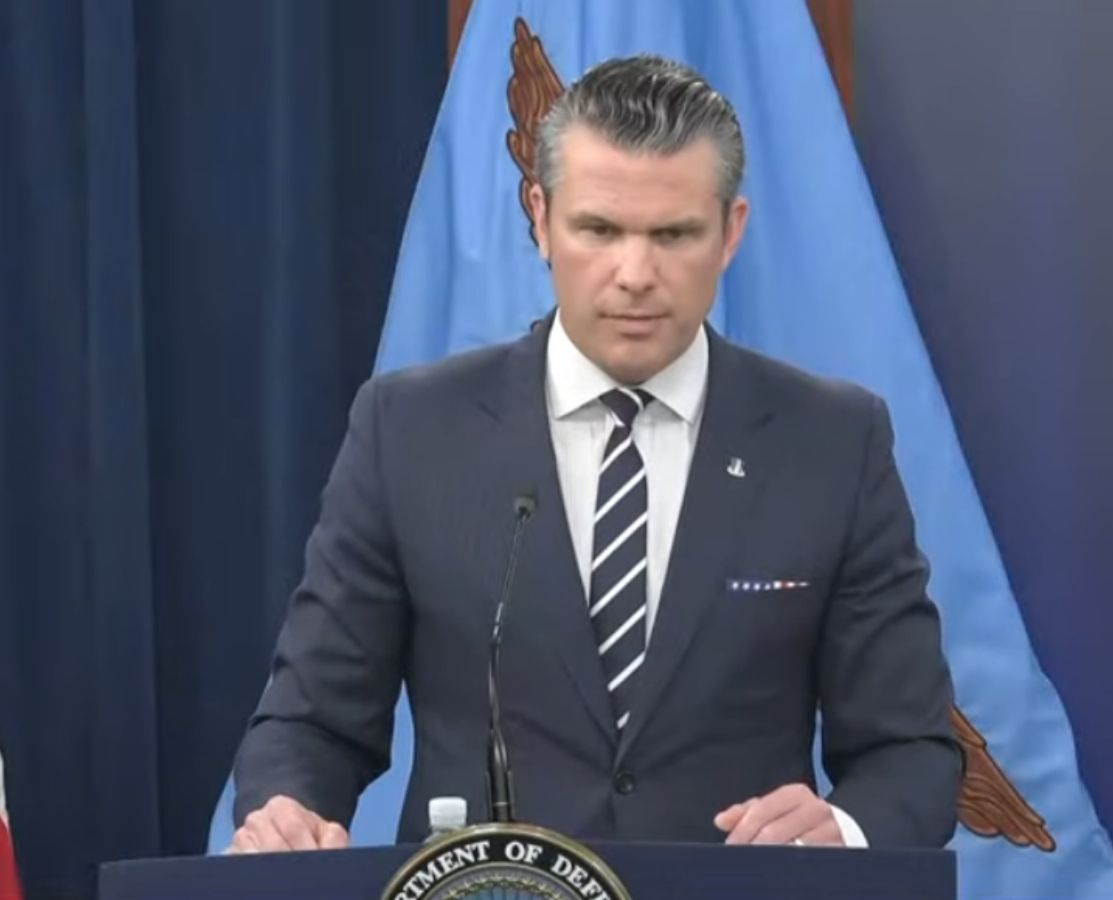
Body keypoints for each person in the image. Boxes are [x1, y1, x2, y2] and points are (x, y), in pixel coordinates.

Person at [231, 55, 961, 853]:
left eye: (674, 234)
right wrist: (288, 810)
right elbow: (313, 722)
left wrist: (842, 831)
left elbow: (910, 753)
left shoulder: (832, 441)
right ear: (540, 218)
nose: (635, 275)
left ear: (731, 231)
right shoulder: (408, 431)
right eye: (600, 230)